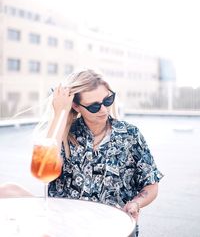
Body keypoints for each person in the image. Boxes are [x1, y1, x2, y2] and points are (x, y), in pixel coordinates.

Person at [0, 69, 163, 236]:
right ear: (76, 106)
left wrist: (136, 203)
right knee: (6, 191)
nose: (103, 110)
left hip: (111, 226)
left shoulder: (130, 134)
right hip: (65, 224)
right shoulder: (64, 134)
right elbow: (43, 168)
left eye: (108, 100)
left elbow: (151, 184)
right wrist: (60, 114)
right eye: (94, 106)